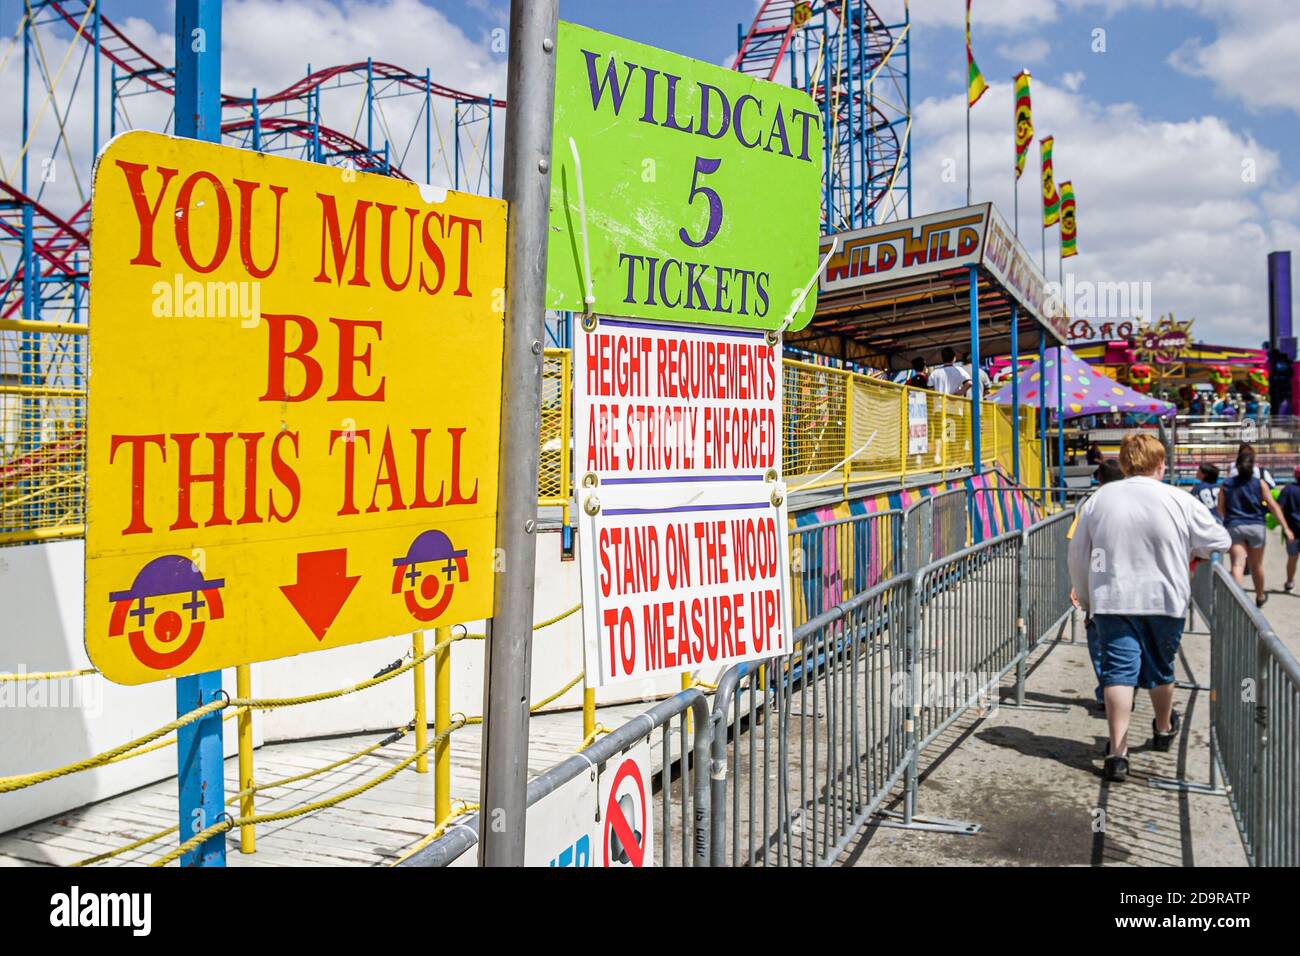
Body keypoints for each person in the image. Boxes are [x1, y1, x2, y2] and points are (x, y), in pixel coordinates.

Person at [1068, 433, 1231, 783]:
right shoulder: (1178, 499)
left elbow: (1079, 557)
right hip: (1164, 598)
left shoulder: (1099, 500)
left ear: (1125, 463)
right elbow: (1221, 540)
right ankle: (1162, 727)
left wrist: (1086, 598)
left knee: (1117, 673)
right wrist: (1193, 552)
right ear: (1161, 465)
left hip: (1112, 599)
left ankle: (1117, 753)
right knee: (1161, 668)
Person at [1218, 444, 1293, 606]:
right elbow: (1273, 506)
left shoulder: (1226, 484)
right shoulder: (1259, 484)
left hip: (1235, 525)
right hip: (1256, 526)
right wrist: (1285, 527)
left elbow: (1220, 509)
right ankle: (1259, 596)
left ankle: (1237, 599)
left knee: (1237, 564)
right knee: (1256, 564)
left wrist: (1227, 521)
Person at [1280, 466, 1300, 592]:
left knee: (1292, 558)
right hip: (1292, 530)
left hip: (1292, 530)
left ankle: (1289, 581)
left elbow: (1279, 508)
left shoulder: (1288, 489)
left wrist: (1285, 527)